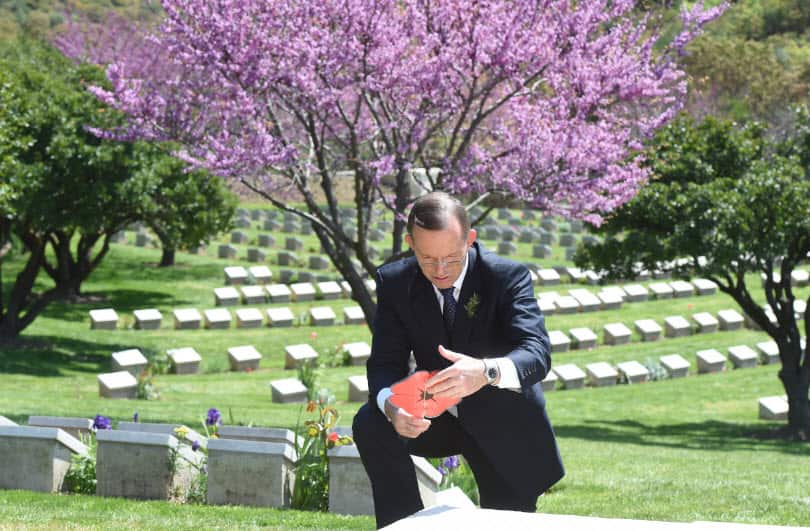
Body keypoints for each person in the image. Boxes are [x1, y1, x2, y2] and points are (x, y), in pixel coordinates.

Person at [352, 191, 565, 528]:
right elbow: (384, 363)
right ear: (410, 243)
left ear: (470, 239)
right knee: (370, 421)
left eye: (451, 258)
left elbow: (536, 354)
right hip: (435, 418)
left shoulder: (506, 277)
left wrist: (485, 371)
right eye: (426, 258)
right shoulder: (394, 282)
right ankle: (403, 524)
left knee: (505, 522)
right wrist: (392, 405)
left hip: (503, 422)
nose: (439, 271)